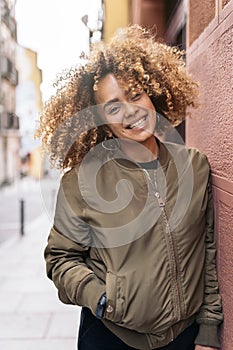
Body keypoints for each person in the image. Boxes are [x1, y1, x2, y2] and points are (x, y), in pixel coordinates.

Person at [36, 25, 223, 350]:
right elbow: (61, 258)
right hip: (111, 337)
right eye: (113, 107)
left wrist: (208, 328)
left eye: (135, 94)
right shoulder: (81, 181)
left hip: (184, 338)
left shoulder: (195, 165)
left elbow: (207, 250)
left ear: (154, 93)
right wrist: (102, 298)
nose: (130, 111)